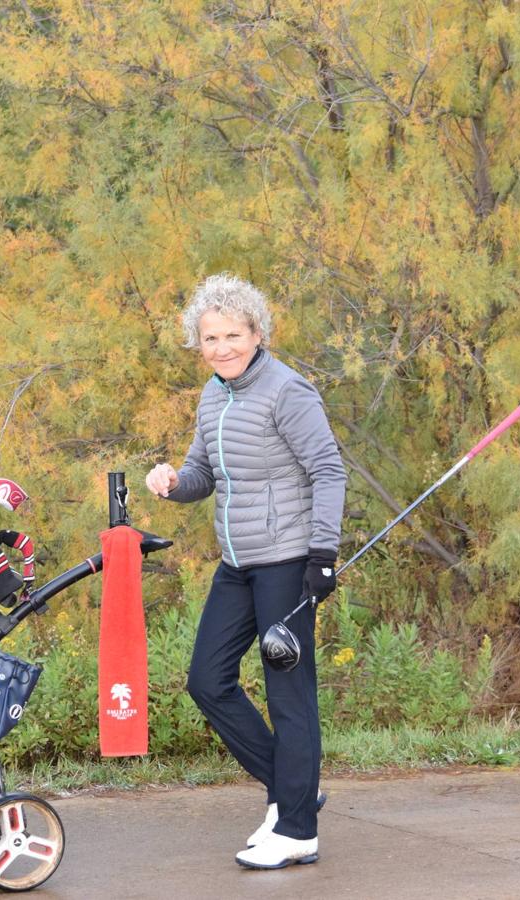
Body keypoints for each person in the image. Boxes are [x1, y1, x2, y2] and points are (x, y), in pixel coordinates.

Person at [145, 273, 346, 869]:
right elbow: (204, 475)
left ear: (257, 333)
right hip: (237, 563)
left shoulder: (289, 392)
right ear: (197, 343)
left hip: (288, 563)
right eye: (210, 338)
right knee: (207, 680)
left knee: (289, 694)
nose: (223, 347)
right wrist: (176, 483)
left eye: (234, 334)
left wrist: (323, 557)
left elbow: (328, 471)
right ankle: (295, 790)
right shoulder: (214, 395)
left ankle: (298, 829)